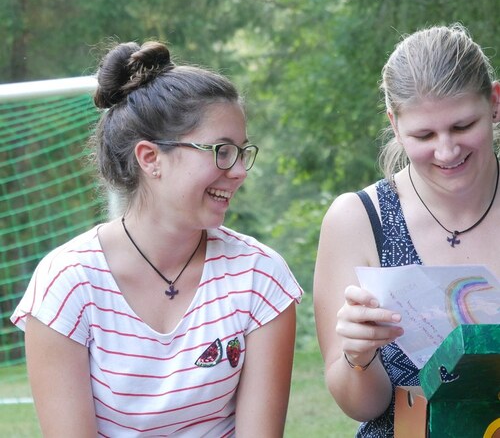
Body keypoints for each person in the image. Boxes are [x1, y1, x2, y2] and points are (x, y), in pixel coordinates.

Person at [11, 40, 303, 437]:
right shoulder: (66, 284)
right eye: (221, 151)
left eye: (241, 152)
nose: (239, 171)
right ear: (150, 158)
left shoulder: (259, 274)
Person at [313, 24, 500, 436]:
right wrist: (359, 356)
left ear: (495, 103)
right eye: (424, 135)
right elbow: (362, 406)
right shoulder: (359, 219)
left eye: (463, 126)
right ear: (395, 125)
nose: (447, 151)